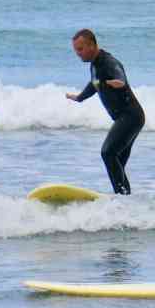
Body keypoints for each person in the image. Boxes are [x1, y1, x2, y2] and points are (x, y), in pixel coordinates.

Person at [65, 29, 145, 195]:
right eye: (75, 50)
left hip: (130, 116)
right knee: (117, 163)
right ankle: (125, 199)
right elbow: (94, 83)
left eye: (80, 49)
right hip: (127, 118)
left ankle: (122, 197)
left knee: (108, 153)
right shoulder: (95, 64)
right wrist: (80, 97)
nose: (77, 54)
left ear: (92, 45)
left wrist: (120, 82)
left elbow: (118, 73)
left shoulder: (108, 62)